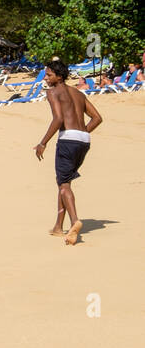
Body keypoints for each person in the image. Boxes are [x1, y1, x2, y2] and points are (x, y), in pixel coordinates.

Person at [34, 59, 103, 245]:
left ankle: (74, 222)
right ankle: (58, 226)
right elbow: (97, 118)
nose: (46, 78)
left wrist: (43, 143)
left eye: (49, 75)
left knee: (64, 185)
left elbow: (58, 119)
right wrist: (82, 133)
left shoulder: (53, 92)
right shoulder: (79, 94)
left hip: (67, 140)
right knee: (64, 183)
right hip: (84, 141)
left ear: (59, 76)